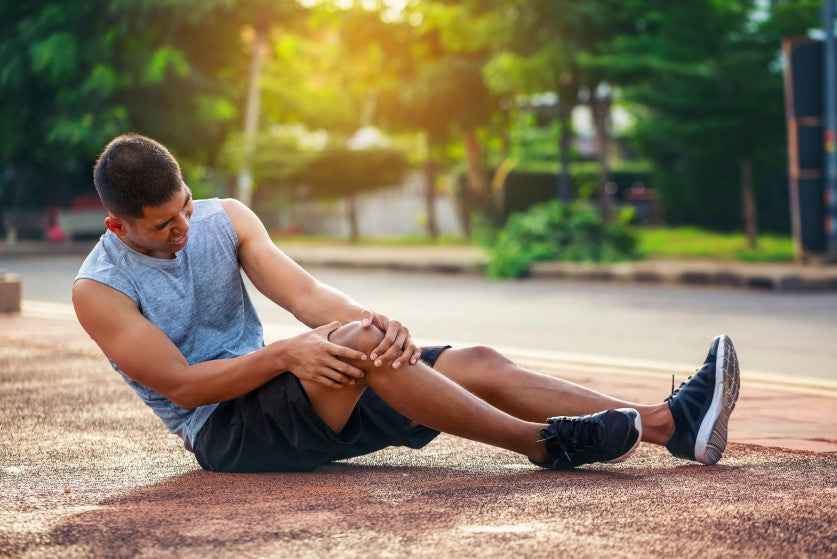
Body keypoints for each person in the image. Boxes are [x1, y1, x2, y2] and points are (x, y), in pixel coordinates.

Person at [72, 134, 741, 473]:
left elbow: (306, 295)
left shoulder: (228, 218)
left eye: (185, 207)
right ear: (118, 225)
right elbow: (184, 387)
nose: (184, 230)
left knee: (468, 357)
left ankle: (668, 426)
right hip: (228, 431)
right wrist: (285, 354)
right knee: (356, 346)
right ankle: (543, 444)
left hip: (299, 390)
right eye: (164, 226)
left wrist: (376, 322)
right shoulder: (98, 289)